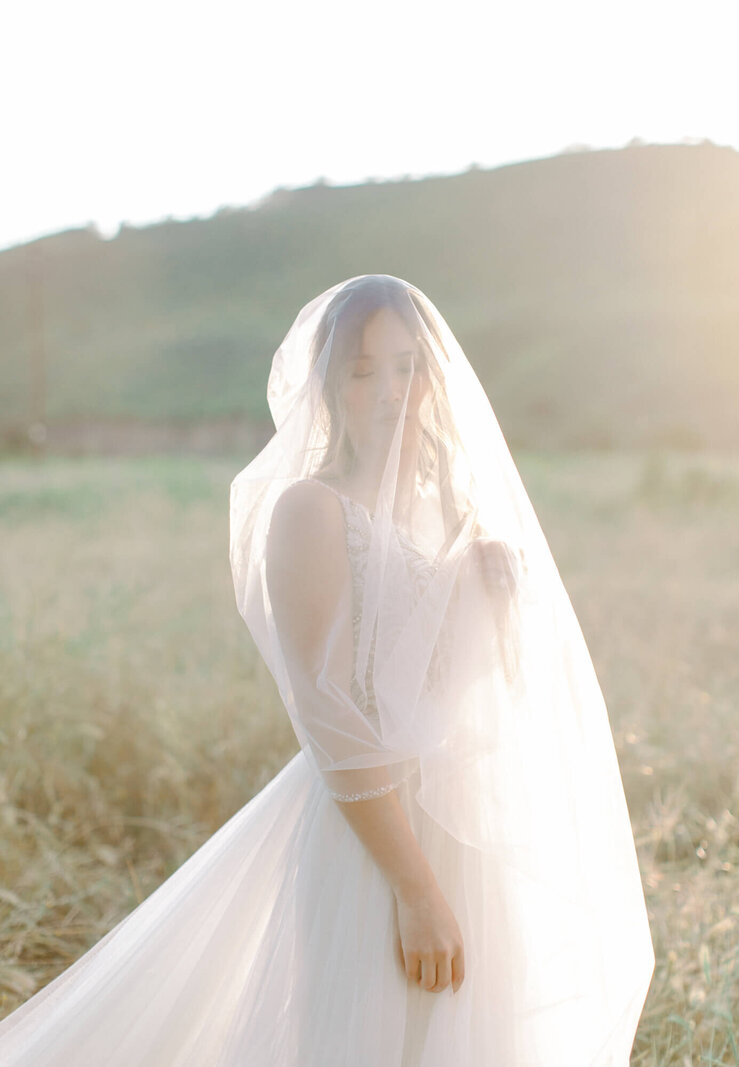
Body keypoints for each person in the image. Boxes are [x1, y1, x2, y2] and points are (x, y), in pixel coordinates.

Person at [0, 274, 654, 1065]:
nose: (390, 390)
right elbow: (327, 709)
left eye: (408, 365)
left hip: (464, 827)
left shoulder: (458, 516)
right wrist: (414, 890)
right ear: (329, 384)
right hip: (371, 841)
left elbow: (463, 697)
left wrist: (487, 598)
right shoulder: (310, 509)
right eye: (363, 368)